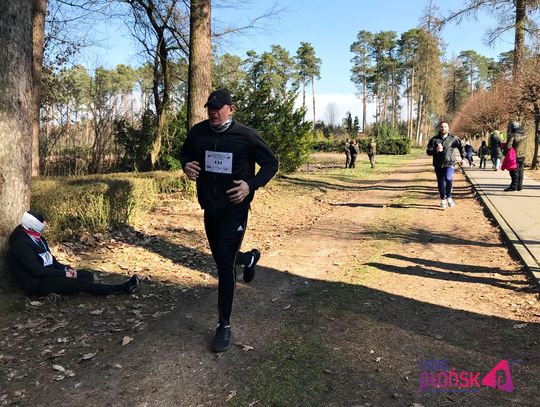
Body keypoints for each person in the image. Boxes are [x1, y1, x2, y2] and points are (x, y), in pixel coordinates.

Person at [179, 89, 278, 352]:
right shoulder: (198, 132)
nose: (213, 112)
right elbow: (185, 154)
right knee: (223, 258)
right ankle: (249, 258)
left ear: (231, 109)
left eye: (218, 107)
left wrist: (250, 185)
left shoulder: (246, 136)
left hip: (235, 209)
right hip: (210, 208)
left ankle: (224, 325)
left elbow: (271, 164)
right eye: (210, 107)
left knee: (224, 264)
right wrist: (186, 165)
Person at [8, 211, 139, 297]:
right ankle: (122, 288)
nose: (44, 228)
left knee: (86, 275)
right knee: (79, 284)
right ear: (33, 227)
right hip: (38, 283)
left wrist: (65, 268)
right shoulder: (20, 245)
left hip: (51, 274)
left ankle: (68, 287)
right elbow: (37, 271)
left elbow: (50, 260)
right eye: (41, 226)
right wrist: (63, 274)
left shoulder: (39, 238)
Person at [426, 121, 464, 209]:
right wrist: (435, 150)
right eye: (442, 127)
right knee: (441, 182)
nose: (443, 128)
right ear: (440, 128)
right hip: (438, 164)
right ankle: (443, 199)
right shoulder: (434, 139)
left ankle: (449, 197)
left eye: (445, 126)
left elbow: (461, 147)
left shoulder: (453, 138)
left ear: (448, 128)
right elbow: (428, 151)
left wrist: (463, 158)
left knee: (448, 178)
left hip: (449, 163)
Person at [503, 121, 527, 191]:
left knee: (514, 171)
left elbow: (508, 146)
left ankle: (513, 186)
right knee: (520, 171)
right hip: (523, 155)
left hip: (514, 156)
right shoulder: (524, 134)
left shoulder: (513, 135)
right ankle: (519, 186)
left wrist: (504, 152)